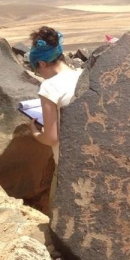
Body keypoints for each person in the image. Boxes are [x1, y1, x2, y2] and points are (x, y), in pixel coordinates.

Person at [28, 26, 82, 201]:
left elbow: (52, 138)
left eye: (38, 69)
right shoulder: (82, 75)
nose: (40, 74)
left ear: (42, 63)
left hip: (69, 165)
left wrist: (36, 133)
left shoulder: (50, 87)